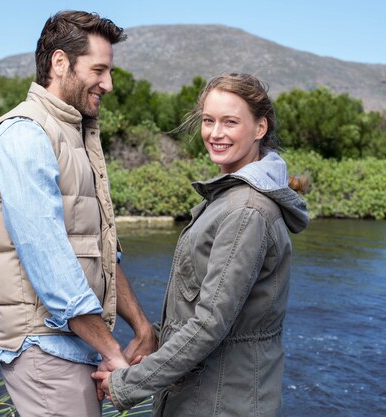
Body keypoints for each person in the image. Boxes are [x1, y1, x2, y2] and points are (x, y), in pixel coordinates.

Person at [93, 73, 310, 416]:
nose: (215, 133)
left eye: (230, 122)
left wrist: (126, 383)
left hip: (219, 404)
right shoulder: (231, 200)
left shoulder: (245, 211)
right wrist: (155, 335)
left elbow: (210, 324)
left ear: (260, 128)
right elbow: (204, 313)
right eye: (209, 121)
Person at [0, 11, 156, 417]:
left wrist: (142, 328)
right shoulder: (22, 135)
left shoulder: (75, 133)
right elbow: (50, 263)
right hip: (44, 351)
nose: (108, 84)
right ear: (60, 63)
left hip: (75, 348)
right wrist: (114, 354)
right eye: (99, 70)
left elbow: (97, 250)